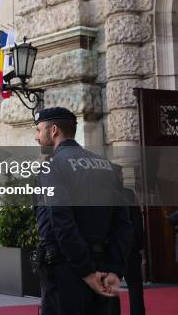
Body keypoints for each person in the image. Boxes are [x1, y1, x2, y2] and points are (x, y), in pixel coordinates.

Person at [33, 107, 133, 315]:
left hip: (68, 271)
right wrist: (115, 270)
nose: (36, 137)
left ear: (53, 130)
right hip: (104, 268)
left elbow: (60, 222)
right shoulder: (107, 166)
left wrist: (86, 272)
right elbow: (123, 223)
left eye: (39, 130)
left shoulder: (53, 165)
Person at [122, 187, 146, 315]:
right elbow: (137, 219)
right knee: (135, 286)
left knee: (110, 287)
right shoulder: (128, 194)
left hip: (110, 247)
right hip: (130, 245)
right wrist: (140, 244)